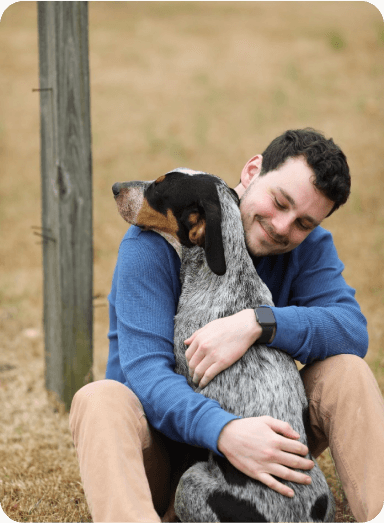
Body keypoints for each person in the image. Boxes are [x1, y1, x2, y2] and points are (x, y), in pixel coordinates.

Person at [69, 128, 384, 523]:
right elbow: (146, 374)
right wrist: (225, 433)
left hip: (265, 461)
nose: (283, 227)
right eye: (279, 201)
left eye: (303, 222)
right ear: (252, 171)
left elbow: (351, 331)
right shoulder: (157, 239)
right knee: (98, 400)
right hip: (165, 453)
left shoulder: (309, 246)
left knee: (348, 371)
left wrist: (258, 322)